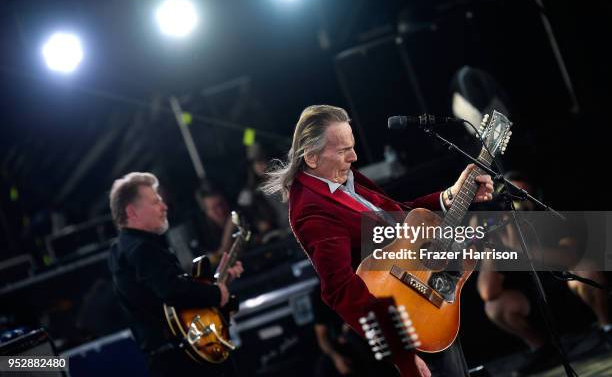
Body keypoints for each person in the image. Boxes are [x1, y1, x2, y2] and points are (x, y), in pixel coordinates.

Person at [263, 105, 494, 377]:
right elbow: (340, 290)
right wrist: (402, 355)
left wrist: (451, 195)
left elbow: (399, 216)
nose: (354, 156)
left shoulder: (344, 178)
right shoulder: (311, 209)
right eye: (342, 150)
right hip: (401, 326)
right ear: (312, 158)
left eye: (352, 146)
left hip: (424, 299)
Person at [107, 172, 243, 377]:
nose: (164, 206)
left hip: (175, 359)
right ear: (132, 212)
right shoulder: (140, 248)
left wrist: (219, 282)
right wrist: (215, 294)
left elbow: (170, 301)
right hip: (183, 363)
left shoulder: (126, 248)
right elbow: (171, 289)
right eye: (155, 202)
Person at [477, 171, 610, 376]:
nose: (516, 204)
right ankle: (542, 349)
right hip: (533, 303)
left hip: (567, 292)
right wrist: (487, 246)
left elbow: (570, 257)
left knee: (588, 268)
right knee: (495, 306)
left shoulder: (552, 218)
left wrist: (524, 249)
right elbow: (488, 292)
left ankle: (607, 328)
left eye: (520, 195)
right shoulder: (502, 232)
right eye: (508, 197)